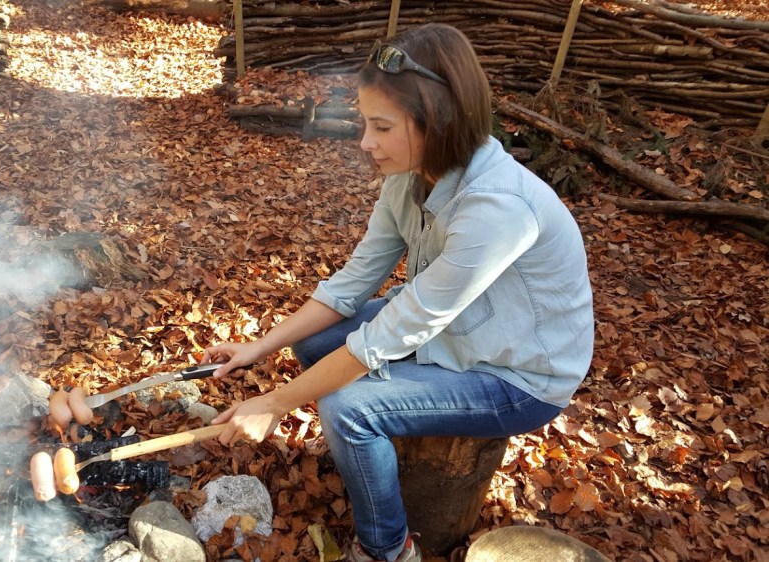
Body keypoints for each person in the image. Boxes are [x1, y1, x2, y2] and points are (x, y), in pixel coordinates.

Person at [202, 23, 594, 562]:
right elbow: (353, 284)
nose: (366, 142)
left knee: (349, 407)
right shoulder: (410, 177)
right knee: (315, 350)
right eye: (366, 123)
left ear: (437, 121)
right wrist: (259, 348)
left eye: (382, 127)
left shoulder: (497, 208)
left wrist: (274, 402)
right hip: (455, 332)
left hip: (518, 374)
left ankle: (388, 549)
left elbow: (389, 333)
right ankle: (369, 457)